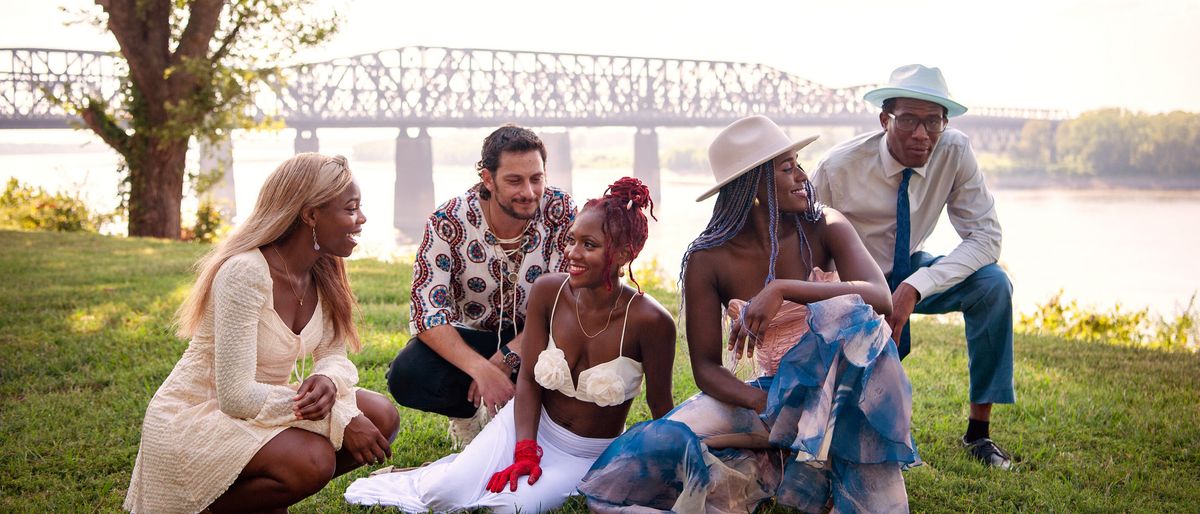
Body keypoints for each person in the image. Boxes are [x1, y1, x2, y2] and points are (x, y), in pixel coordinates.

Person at [578, 115, 918, 513]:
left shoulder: (827, 225)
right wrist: (766, 403)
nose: (802, 177)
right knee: (654, 451)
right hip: (767, 398)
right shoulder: (707, 259)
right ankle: (785, 450)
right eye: (787, 168)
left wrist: (784, 289)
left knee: (857, 321)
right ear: (752, 188)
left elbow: (881, 298)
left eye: (798, 164)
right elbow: (706, 367)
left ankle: (817, 450)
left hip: (840, 393)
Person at [345, 177, 676, 513]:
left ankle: (465, 467)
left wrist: (673, 469)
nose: (572, 253)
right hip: (527, 430)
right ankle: (442, 472)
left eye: (589, 245)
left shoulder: (651, 321)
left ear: (624, 253)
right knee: (442, 496)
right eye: (572, 240)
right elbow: (530, 380)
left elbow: (660, 404)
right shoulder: (550, 291)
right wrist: (525, 449)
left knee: (509, 508)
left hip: (589, 453)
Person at [123, 153, 400, 513]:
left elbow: (334, 355)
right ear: (311, 214)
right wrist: (341, 417)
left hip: (263, 402)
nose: (361, 219)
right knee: (313, 460)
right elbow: (235, 397)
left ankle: (259, 497)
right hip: (200, 415)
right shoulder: (245, 273)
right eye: (350, 209)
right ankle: (213, 508)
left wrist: (328, 381)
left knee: (382, 416)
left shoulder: (324, 268)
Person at [811, 64, 1015, 469]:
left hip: (910, 268)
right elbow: (806, 244)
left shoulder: (954, 151)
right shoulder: (839, 167)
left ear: (945, 122)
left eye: (933, 121)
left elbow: (987, 236)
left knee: (994, 285)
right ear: (885, 119)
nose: (922, 134)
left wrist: (915, 286)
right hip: (851, 281)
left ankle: (979, 435)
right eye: (908, 120)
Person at [387, 124, 577, 446]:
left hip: (541, 337)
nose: (528, 192)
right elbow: (427, 314)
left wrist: (506, 358)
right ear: (487, 179)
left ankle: (532, 418)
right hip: (473, 337)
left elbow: (568, 300)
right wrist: (482, 369)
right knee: (408, 372)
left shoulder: (560, 211)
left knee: (585, 348)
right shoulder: (447, 222)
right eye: (514, 180)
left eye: (536, 178)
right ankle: (467, 413)